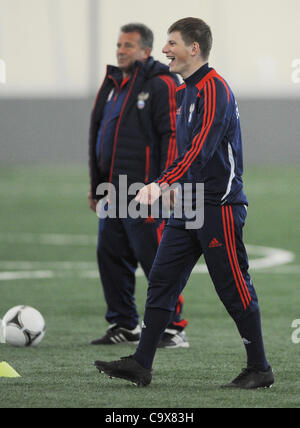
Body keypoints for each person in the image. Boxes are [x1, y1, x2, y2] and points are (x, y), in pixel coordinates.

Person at [94, 17, 274, 389]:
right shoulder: (184, 91)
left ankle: (260, 368)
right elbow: (184, 150)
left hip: (217, 205)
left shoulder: (214, 89)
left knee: (233, 286)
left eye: (172, 43)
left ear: (194, 48)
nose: (165, 50)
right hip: (189, 202)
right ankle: (142, 363)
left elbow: (200, 150)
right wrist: (175, 188)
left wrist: (160, 183)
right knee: (161, 280)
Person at [88, 23, 189, 348]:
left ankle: (173, 328)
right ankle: (124, 323)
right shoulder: (116, 85)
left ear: (146, 50)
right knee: (110, 255)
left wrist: (168, 182)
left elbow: (173, 134)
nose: (120, 50)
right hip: (112, 191)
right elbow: (102, 136)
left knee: (156, 259)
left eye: (128, 45)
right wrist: (97, 184)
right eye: (119, 44)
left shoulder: (160, 84)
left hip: (146, 192)